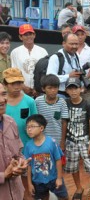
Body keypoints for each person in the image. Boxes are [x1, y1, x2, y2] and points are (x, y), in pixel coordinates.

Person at [62, 77, 90, 200]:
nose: (73, 91)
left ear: (81, 89)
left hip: (85, 141)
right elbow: (64, 122)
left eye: (75, 87)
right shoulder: (65, 103)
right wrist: (63, 142)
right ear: (66, 91)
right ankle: (79, 188)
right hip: (70, 141)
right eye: (70, 88)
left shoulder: (88, 104)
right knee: (73, 167)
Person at [3, 67, 38, 200]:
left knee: (28, 185)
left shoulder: (29, 101)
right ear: (5, 84)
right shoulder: (2, 103)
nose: (17, 87)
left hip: (27, 149)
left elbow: (36, 122)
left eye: (19, 83)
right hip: (5, 150)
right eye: (13, 83)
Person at [23, 114, 68, 200]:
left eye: (32, 126)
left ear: (41, 128)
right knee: (43, 198)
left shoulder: (51, 142)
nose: (29, 129)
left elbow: (58, 160)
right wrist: (29, 183)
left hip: (53, 179)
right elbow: (28, 166)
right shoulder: (28, 145)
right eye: (27, 127)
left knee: (64, 197)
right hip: (37, 182)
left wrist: (59, 178)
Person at [0, 82, 31, 199]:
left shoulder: (11, 122)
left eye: (4, 94)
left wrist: (21, 162)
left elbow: (18, 154)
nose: (2, 100)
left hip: (17, 193)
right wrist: (4, 175)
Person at [10, 24, 48, 97]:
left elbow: (45, 72)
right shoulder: (15, 52)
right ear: (20, 37)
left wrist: (38, 88)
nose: (29, 37)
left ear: (34, 35)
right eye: (25, 35)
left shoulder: (43, 51)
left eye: (30, 34)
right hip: (22, 91)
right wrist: (23, 87)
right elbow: (14, 72)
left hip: (40, 92)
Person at [35, 74, 68, 145]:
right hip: (42, 140)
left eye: (55, 88)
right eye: (49, 88)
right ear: (43, 89)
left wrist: (62, 142)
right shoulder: (38, 101)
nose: (53, 90)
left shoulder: (62, 102)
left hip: (58, 141)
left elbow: (64, 123)